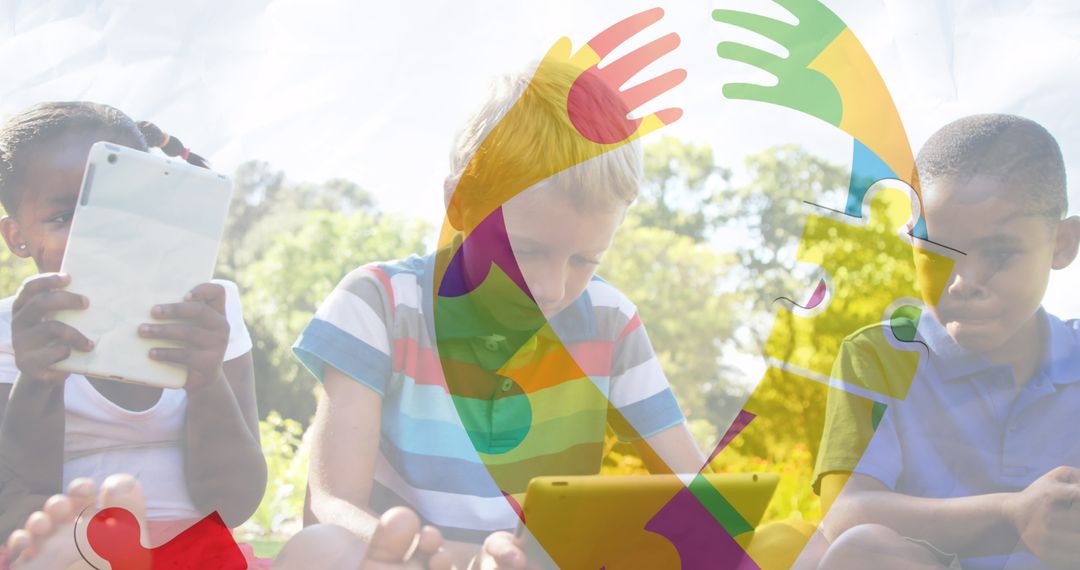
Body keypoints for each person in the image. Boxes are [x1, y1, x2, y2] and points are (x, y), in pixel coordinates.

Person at [294, 52, 709, 569]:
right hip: (405, 562)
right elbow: (332, 506)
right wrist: (428, 556)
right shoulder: (379, 304)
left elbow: (697, 497)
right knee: (314, 552)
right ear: (460, 205)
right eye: (527, 252)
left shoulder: (610, 323)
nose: (552, 288)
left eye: (584, 260)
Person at [812, 114, 1080, 569]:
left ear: (1062, 244)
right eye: (937, 254)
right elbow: (845, 515)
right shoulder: (878, 356)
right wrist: (1011, 513)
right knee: (862, 551)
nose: (962, 283)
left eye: (999, 253)